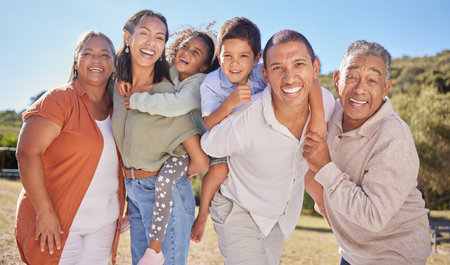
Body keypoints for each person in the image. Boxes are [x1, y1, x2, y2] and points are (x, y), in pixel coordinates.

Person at [200, 29, 335, 265]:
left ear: (315, 68)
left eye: (298, 64)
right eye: (278, 68)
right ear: (265, 74)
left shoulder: (325, 104)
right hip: (237, 207)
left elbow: (299, 165)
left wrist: (322, 200)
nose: (289, 77)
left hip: (276, 216)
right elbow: (208, 144)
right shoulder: (245, 121)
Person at [302, 40, 431, 264]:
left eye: (373, 80)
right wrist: (321, 201)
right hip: (352, 253)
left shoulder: (394, 139)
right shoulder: (333, 113)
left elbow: (374, 216)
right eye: (352, 77)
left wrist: (324, 167)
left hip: (395, 257)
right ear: (336, 80)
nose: (360, 89)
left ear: (385, 88)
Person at [15, 30, 125, 265]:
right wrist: (44, 213)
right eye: (88, 53)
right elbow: (26, 153)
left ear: (114, 65)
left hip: (104, 225)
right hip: (59, 225)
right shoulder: (59, 100)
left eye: (105, 55)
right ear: (77, 62)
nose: (96, 60)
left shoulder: (120, 110)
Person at [116, 26, 219, 263]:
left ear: (203, 67)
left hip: (188, 150)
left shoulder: (198, 84)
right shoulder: (173, 73)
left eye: (196, 52)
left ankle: (155, 246)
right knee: (165, 178)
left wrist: (138, 100)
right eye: (185, 46)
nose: (187, 52)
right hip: (162, 162)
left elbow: (176, 106)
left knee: (165, 179)